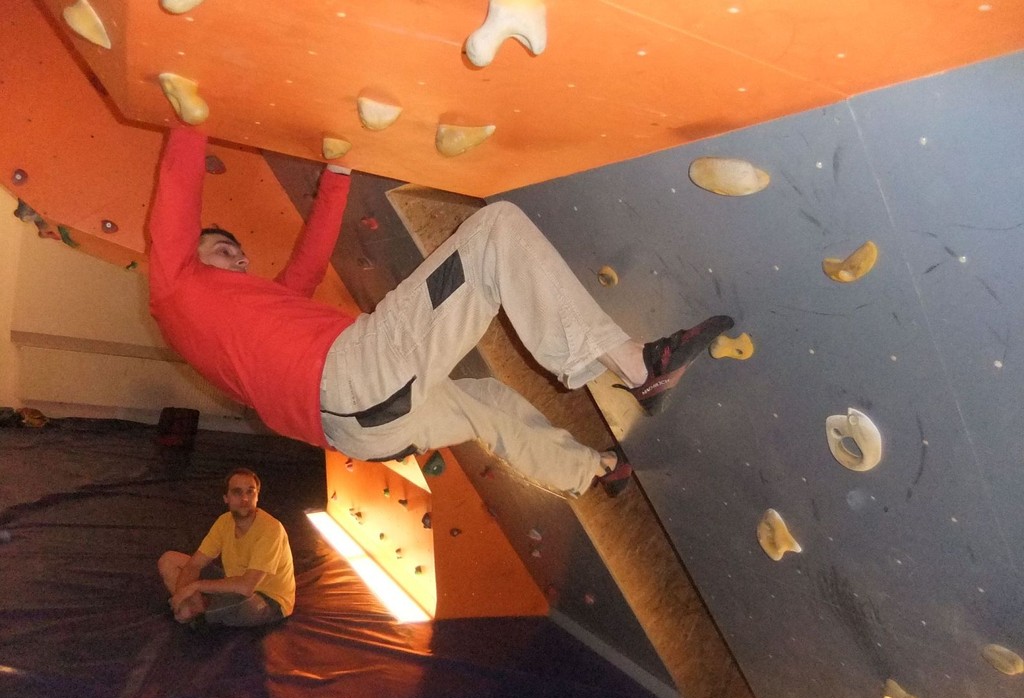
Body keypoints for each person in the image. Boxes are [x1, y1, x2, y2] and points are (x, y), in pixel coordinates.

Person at [148, 125, 733, 498]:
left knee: (490, 403)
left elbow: (310, 257)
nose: (240, 254)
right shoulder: (177, 288)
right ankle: (640, 366)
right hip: (353, 377)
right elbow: (177, 189)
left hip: (357, 429)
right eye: (224, 246)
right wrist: (192, 110)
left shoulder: (254, 309)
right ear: (190, 254)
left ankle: (595, 470)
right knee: (494, 232)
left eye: (239, 248)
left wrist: (338, 172)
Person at [157, 468, 295, 627]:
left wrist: (195, 586)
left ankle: (196, 612)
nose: (244, 499)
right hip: (233, 582)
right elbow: (195, 564)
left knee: (244, 607)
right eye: (237, 492)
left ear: (257, 496)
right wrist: (182, 593)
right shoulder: (224, 522)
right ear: (226, 498)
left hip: (265, 599)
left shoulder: (271, 529)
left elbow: (246, 587)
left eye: (250, 492)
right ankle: (194, 609)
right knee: (169, 560)